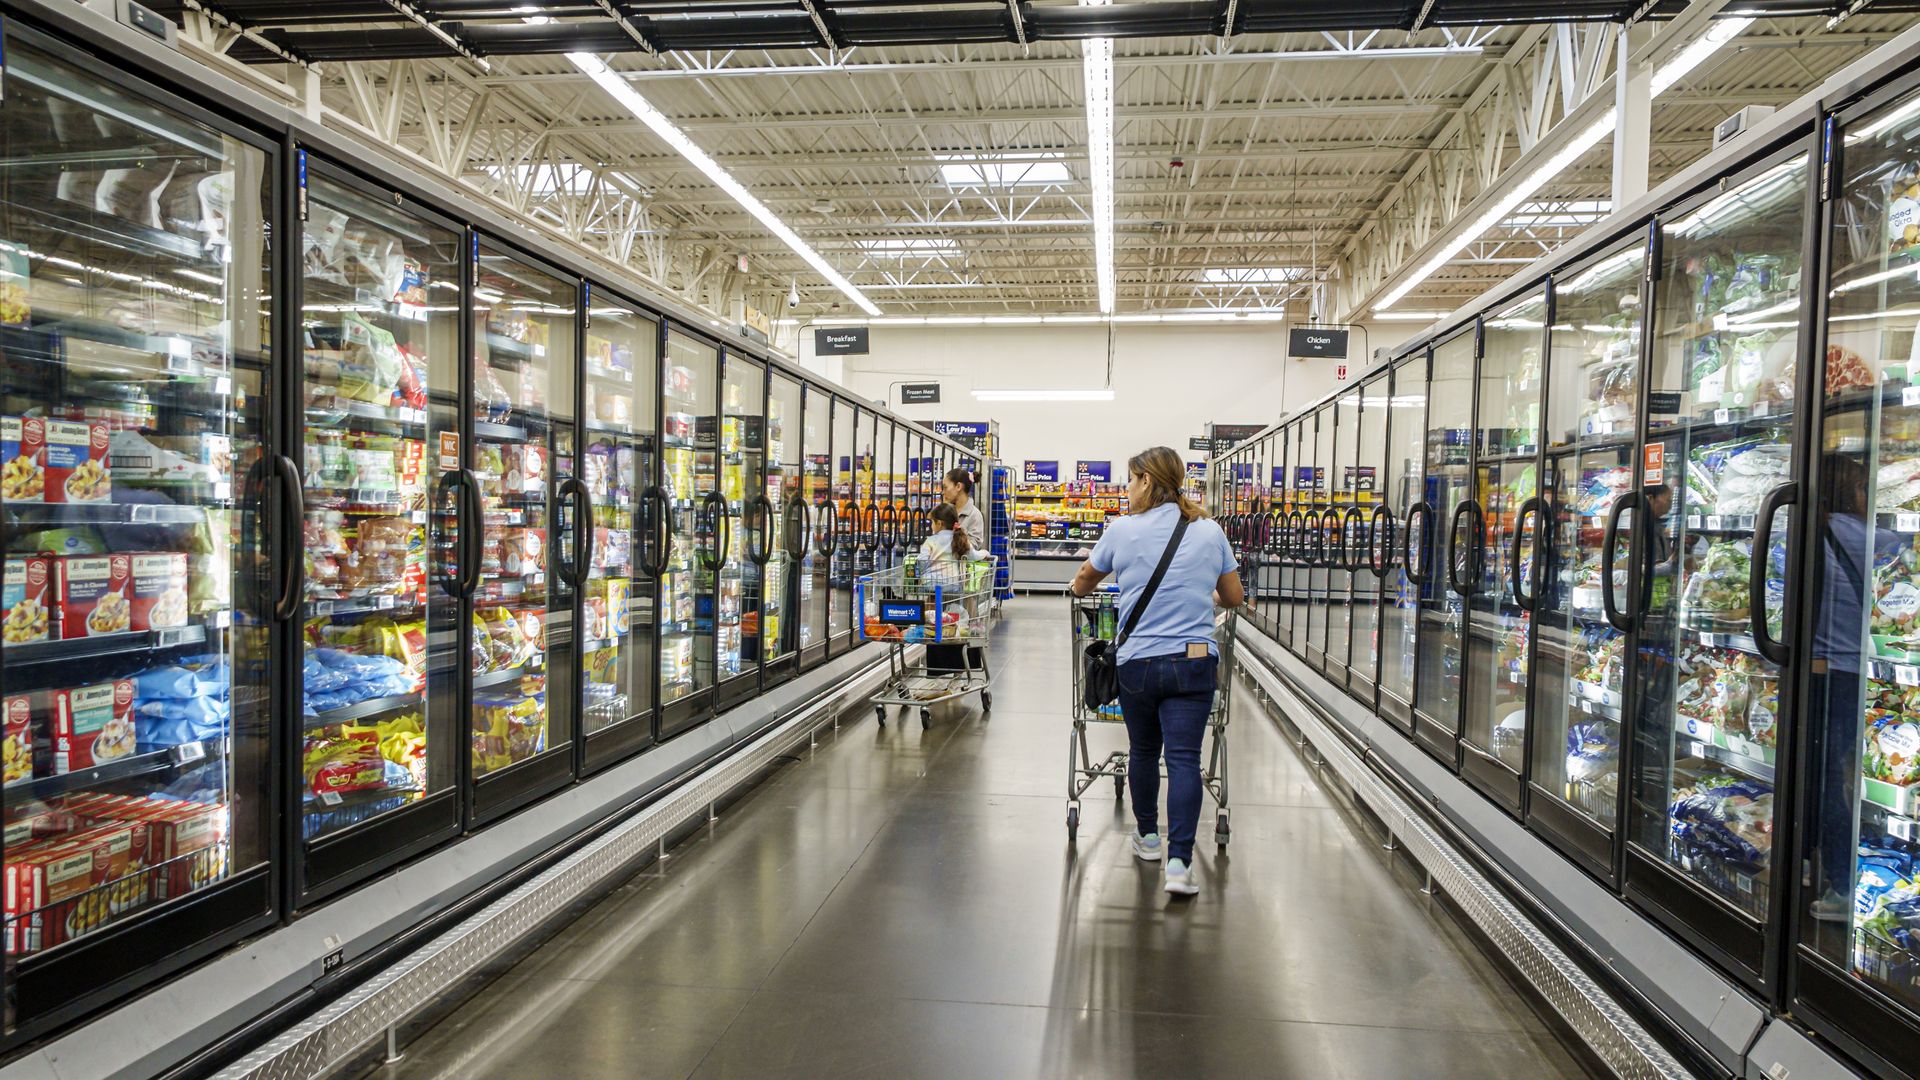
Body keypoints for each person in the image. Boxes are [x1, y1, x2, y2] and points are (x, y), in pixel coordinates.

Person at [1070, 446, 1245, 897]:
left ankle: (1148, 837)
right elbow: (1234, 597)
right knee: (1184, 758)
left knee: (1144, 751)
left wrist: (1078, 583)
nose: (1127, 489)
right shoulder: (1209, 530)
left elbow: (1086, 579)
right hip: (1193, 662)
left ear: (1147, 481)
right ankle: (1180, 863)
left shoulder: (1122, 529)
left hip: (1138, 665)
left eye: (1130, 480)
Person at [918, 502, 973, 586]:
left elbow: (922, 562)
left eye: (932, 522)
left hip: (931, 582)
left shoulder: (930, 541)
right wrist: (985, 554)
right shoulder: (960, 539)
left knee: (931, 594)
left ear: (939, 523)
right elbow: (973, 555)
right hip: (954, 583)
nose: (931, 526)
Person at [941, 468, 988, 553]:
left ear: (958, 486)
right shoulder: (944, 512)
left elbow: (973, 547)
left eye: (945, 487)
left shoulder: (975, 516)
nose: (942, 492)